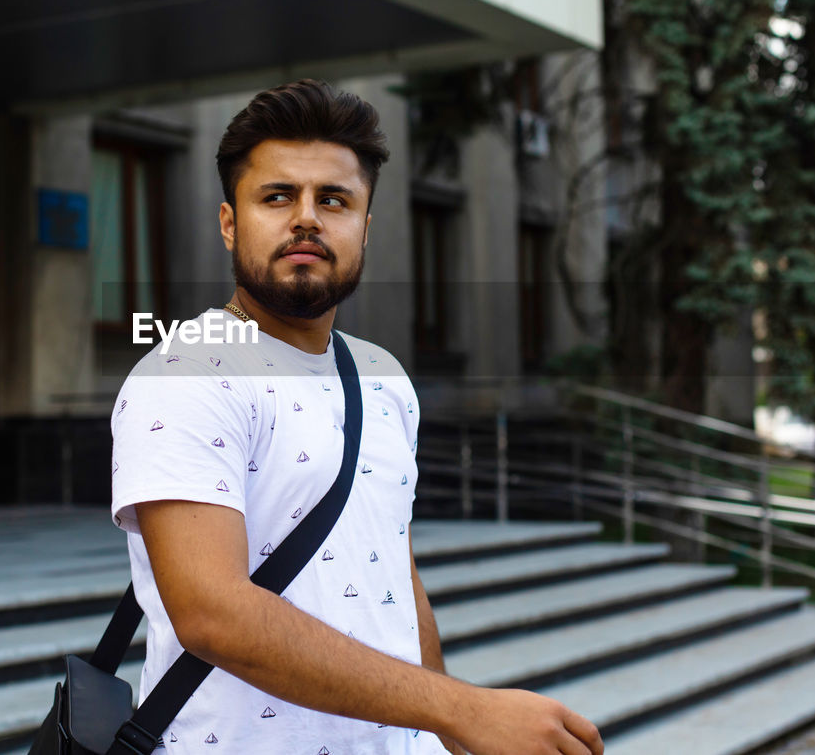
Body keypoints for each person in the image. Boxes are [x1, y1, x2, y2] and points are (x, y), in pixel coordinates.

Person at [109, 79, 604, 755]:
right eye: (277, 196)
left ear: (364, 227)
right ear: (230, 221)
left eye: (333, 199)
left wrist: (452, 735)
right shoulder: (186, 373)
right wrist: (462, 708)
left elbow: (394, 578)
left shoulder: (383, 377)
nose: (306, 219)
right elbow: (212, 615)